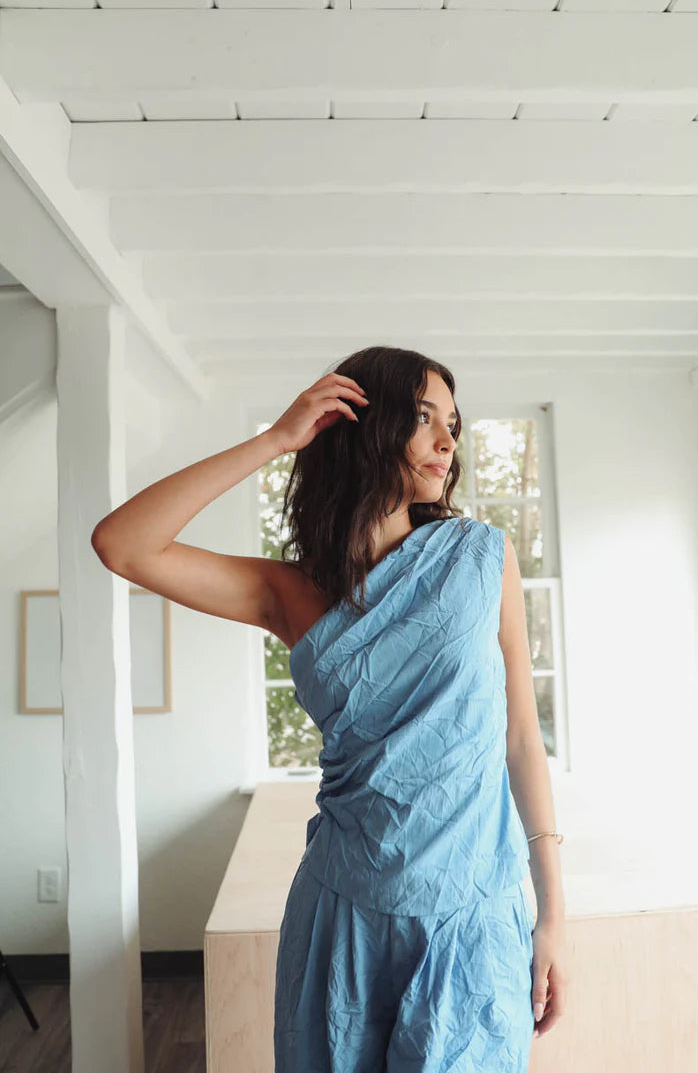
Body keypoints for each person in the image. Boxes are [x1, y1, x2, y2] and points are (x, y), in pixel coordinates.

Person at [92, 345, 568, 1072]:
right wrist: (275, 441)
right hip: (343, 912)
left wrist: (554, 915)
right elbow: (122, 545)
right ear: (361, 428)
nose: (447, 440)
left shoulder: (480, 556)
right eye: (423, 418)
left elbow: (522, 742)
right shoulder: (290, 592)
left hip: (472, 913)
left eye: (453, 424)